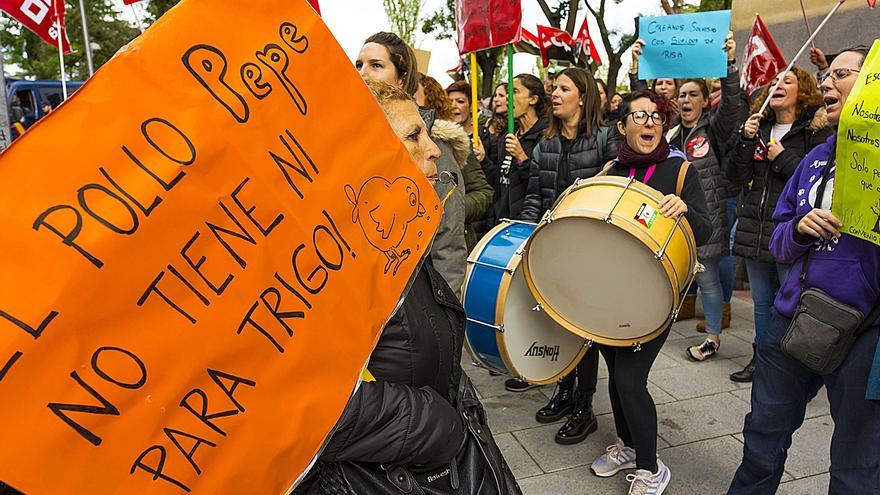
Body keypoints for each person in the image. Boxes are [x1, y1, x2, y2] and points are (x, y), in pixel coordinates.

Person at [295, 79, 520, 495]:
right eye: (414, 136)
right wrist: (434, 426)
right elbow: (305, 402)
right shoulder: (325, 265)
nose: (434, 149)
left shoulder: (393, 242)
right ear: (367, 152)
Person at [728, 46, 880, 495]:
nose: (827, 84)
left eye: (842, 75)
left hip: (865, 337)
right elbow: (776, 240)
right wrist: (798, 229)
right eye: (826, 75)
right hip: (790, 324)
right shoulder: (813, 160)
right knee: (761, 443)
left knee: (857, 467)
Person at [591, 90, 711, 495]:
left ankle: (650, 467)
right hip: (610, 289)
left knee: (629, 377)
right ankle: (627, 445)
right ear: (622, 126)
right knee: (615, 370)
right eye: (638, 116)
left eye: (656, 116)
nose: (649, 122)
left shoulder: (679, 171)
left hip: (656, 291)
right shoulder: (610, 170)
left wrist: (686, 212)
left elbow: (706, 230)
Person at [517, 67, 620, 445]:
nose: (554, 94)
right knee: (558, 323)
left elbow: (614, 192)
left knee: (584, 331)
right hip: (552, 249)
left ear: (583, 96)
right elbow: (534, 197)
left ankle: (584, 405)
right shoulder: (544, 145)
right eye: (552, 89)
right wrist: (524, 235)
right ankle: (563, 389)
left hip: (593, 252)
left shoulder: (606, 139)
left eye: (563, 88)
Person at [726, 66, 833, 382]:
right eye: (773, 82)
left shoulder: (814, 132)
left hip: (791, 235)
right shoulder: (757, 129)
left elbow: (817, 184)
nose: (777, 85)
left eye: (786, 81)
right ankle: (762, 360)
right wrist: (745, 141)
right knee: (761, 303)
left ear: (803, 91)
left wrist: (782, 156)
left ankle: (793, 365)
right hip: (756, 231)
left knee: (793, 302)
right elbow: (734, 177)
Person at [356, 33, 467, 297]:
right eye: (358, 65)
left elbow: (447, 247)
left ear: (402, 78)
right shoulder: (351, 141)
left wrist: (441, 322)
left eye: (376, 65)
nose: (363, 73)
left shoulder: (432, 148)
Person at [665, 32, 741, 361]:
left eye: (693, 94)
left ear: (703, 99)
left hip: (705, 219)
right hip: (673, 218)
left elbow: (733, 103)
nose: (685, 99)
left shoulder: (714, 128)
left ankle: (712, 337)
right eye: (681, 94)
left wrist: (730, 64)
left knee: (708, 281)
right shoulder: (668, 134)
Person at [443, 80, 495, 248]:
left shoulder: (486, 137)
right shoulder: (444, 141)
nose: (454, 106)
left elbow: (492, 184)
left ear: (472, 106)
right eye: (450, 101)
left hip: (482, 224)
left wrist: (484, 161)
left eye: (460, 101)